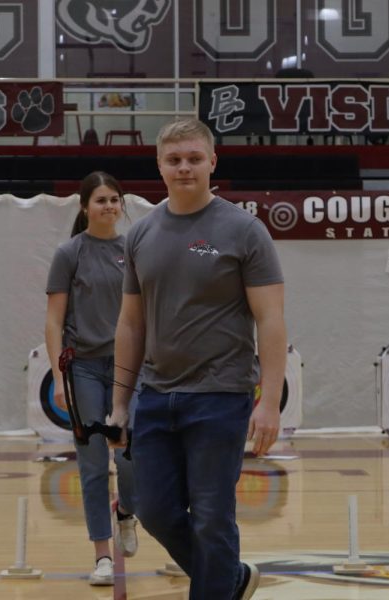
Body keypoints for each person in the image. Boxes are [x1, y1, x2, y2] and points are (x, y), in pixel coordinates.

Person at [110, 118, 287, 600]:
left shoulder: (245, 231)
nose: (184, 167)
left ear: (213, 162)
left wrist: (269, 402)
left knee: (211, 516)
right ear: (159, 166)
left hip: (221, 396)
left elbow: (271, 321)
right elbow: (130, 324)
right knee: (153, 510)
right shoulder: (140, 235)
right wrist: (119, 404)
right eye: (174, 159)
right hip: (155, 396)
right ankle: (228, 581)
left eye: (193, 158)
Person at [44, 171, 140, 586]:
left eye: (115, 199)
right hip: (82, 368)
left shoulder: (134, 250)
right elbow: (53, 320)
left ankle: (127, 512)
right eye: (101, 200)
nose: (109, 206)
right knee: (93, 463)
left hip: (126, 369)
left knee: (132, 456)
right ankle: (102, 554)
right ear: (85, 207)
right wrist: (56, 375)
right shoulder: (69, 253)